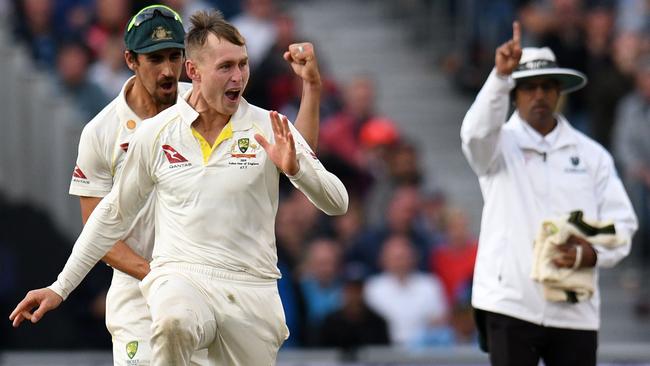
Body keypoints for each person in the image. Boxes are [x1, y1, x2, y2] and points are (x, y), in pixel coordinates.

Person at [10, 9, 348, 366]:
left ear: (189, 66)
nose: (167, 70)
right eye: (156, 59)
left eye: (243, 65)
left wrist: (303, 128)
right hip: (163, 285)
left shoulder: (241, 113)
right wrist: (62, 286)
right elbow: (105, 216)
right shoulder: (120, 131)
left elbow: (310, 170)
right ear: (131, 60)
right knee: (175, 320)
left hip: (247, 290)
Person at [460, 21, 638, 366]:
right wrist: (498, 78)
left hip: (575, 307)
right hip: (510, 301)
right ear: (514, 94)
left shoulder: (591, 155)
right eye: (528, 87)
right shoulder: (498, 147)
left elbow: (623, 225)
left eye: (547, 87)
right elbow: (474, 135)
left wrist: (592, 255)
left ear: (559, 93)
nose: (539, 95)